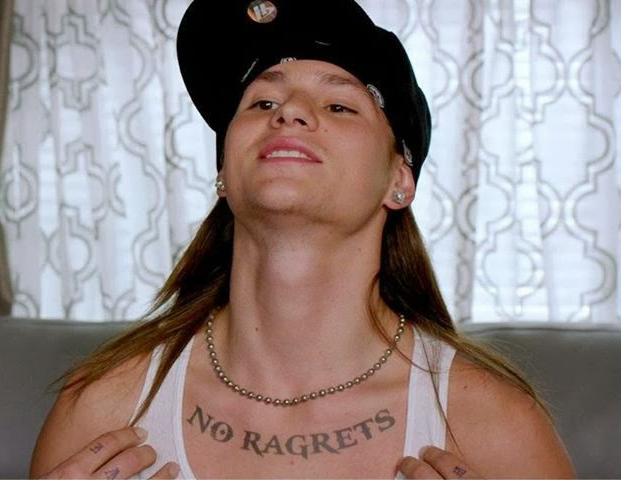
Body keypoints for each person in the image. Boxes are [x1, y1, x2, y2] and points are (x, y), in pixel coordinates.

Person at [29, 0, 575, 478]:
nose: (289, 111)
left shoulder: (494, 426)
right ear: (224, 173)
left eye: (339, 105)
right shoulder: (101, 408)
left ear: (399, 180)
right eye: (262, 103)